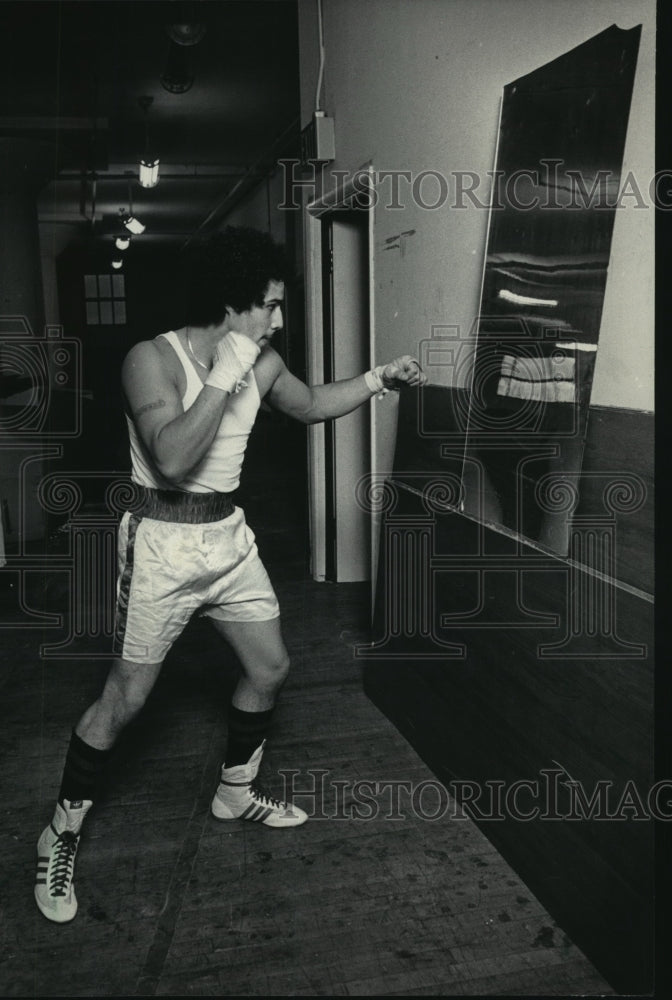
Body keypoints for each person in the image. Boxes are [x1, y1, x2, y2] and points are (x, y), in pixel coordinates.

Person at [34, 225, 426, 923]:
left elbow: (308, 407)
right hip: (162, 543)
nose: (279, 321)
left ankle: (235, 792)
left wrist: (375, 380)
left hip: (229, 541)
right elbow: (175, 458)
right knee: (123, 700)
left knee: (270, 669)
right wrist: (225, 371)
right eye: (271, 305)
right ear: (233, 302)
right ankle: (59, 831)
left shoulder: (266, 362)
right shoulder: (150, 359)